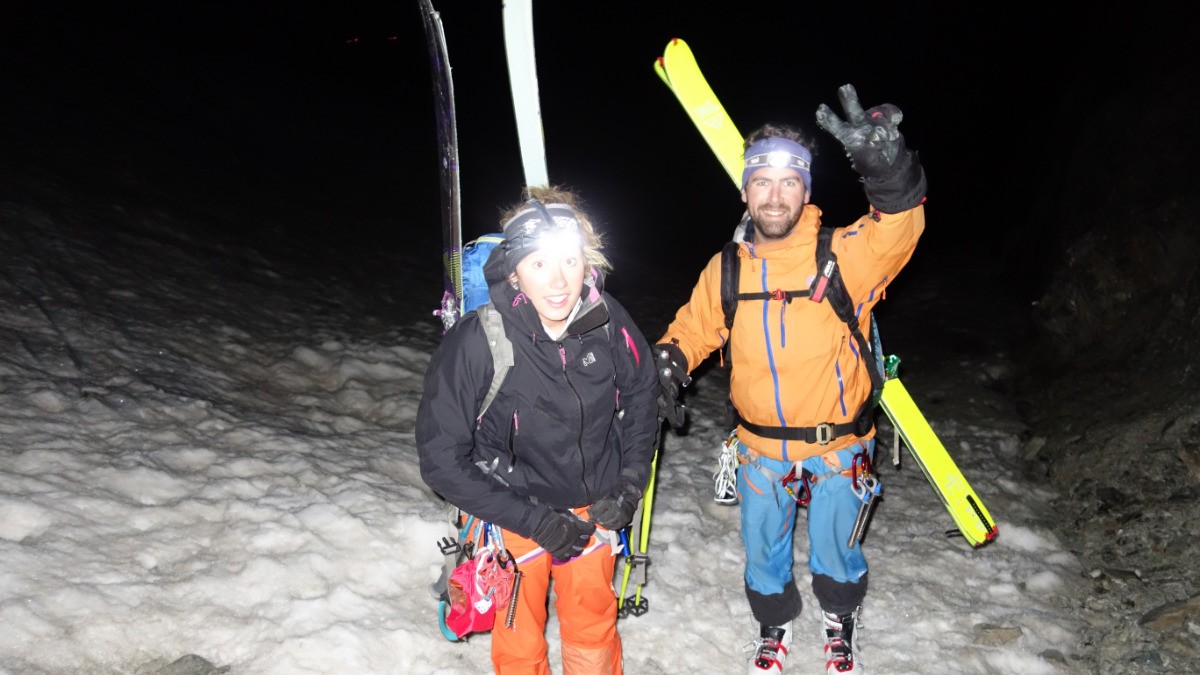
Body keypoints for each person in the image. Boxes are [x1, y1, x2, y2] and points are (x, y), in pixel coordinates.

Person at [653, 84, 927, 675]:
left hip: (838, 446)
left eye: (789, 183)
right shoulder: (726, 266)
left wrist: (888, 169)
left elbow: (901, 226)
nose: (774, 197)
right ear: (745, 189)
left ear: (806, 189)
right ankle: (773, 626)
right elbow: (695, 328)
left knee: (836, 550)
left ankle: (839, 621)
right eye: (762, 182)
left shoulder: (844, 254)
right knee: (763, 552)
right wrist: (668, 361)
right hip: (758, 450)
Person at [417, 185, 660, 675]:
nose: (558, 281)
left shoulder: (610, 323)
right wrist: (536, 522)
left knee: (593, 630)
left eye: (569, 261)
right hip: (512, 519)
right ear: (515, 271)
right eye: (540, 263)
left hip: (593, 514)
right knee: (519, 642)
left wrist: (630, 483)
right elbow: (441, 459)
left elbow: (641, 397)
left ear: (586, 264)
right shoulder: (479, 339)